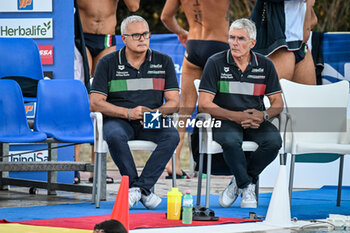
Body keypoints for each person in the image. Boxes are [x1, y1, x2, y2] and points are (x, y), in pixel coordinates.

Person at [90, 15, 180, 209]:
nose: (142, 39)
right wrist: (128, 113)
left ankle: (139, 189)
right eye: (136, 35)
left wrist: (155, 113)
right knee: (114, 135)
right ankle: (141, 189)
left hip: (151, 118)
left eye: (145, 34)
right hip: (119, 118)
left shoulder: (164, 61)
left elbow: (174, 103)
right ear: (124, 38)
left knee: (172, 135)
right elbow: (96, 103)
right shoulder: (107, 62)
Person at [198, 18, 283, 208]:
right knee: (230, 140)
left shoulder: (265, 65)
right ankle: (246, 186)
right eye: (231, 38)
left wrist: (265, 115)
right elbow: (204, 105)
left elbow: (278, 103)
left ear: (252, 43)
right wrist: (236, 116)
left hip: (255, 119)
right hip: (224, 118)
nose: (234, 43)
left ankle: (238, 182)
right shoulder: (215, 62)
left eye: (241, 39)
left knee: (274, 142)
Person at [161, 0, 230, 178]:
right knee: (221, 106)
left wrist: (181, 32)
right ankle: (211, 164)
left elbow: (165, 17)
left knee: (184, 109)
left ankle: (173, 162)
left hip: (194, 46)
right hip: (219, 45)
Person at [75, 0, 140, 184]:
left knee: (101, 99)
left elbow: (134, 7)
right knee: (82, 97)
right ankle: (74, 165)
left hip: (106, 38)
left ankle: (98, 168)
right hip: (81, 36)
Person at [250, 0, 318, 84]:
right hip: (276, 44)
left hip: (300, 44)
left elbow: (313, 20)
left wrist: (309, 9)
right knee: (270, 96)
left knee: (308, 96)